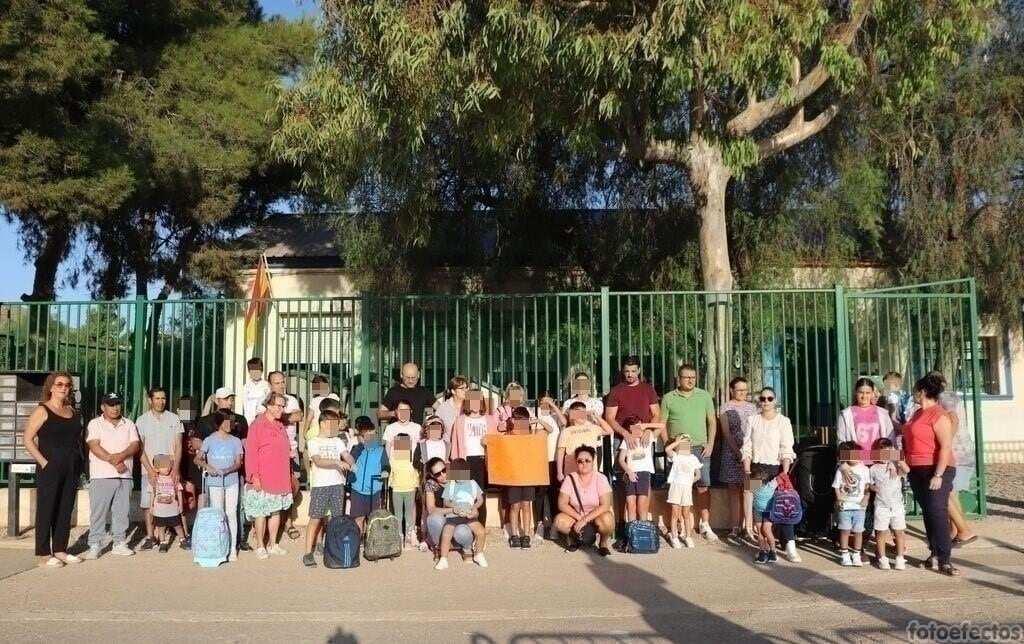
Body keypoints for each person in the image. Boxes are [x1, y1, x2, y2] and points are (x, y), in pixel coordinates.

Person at [22, 371, 84, 567]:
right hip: (50, 467)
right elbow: (27, 439)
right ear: (51, 387)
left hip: (71, 466)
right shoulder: (42, 411)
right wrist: (43, 462)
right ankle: (43, 554)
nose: (64, 388)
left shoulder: (73, 412)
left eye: (67, 385)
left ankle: (60, 550)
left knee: (65, 509)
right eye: (59, 384)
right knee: (47, 509)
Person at [902, 373, 958, 575]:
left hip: (937, 468)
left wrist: (939, 474)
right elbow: (908, 435)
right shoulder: (917, 414)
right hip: (916, 469)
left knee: (937, 511)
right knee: (928, 512)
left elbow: (945, 446)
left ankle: (945, 559)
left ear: (922, 392)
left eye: (915, 391)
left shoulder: (939, 414)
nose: (913, 395)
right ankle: (933, 553)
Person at [741, 386, 799, 564]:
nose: (766, 401)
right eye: (763, 398)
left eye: (770, 398)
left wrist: (785, 472)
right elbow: (747, 446)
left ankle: (787, 545)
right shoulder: (753, 420)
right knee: (754, 501)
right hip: (757, 469)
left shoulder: (783, 421)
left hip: (776, 469)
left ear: (775, 400)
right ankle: (760, 544)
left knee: (783, 504)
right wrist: (747, 469)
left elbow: (786, 448)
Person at [660, 364, 717, 541]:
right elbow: (662, 423)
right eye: (686, 377)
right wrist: (668, 442)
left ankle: (705, 524)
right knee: (677, 486)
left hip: (700, 446)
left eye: (693, 377)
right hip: (679, 448)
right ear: (679, 378)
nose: (690, 380)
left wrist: (711, 444)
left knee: (703, 485)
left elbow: (712, 421)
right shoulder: (669, 398)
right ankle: (676, 526)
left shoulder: (705, 396)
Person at [83, 392, 140, 560]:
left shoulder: (128, 423)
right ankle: (95, 544)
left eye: (117, 404)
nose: (115, 408)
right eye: (111, 404)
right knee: (98, 512)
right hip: (102, 475)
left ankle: (119, 542)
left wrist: (121, 456)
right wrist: (114, 461)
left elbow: (135, 445)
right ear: (103, 407)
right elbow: (94, 445)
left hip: (125, 475)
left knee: (122, 512)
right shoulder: (95, 423)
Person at [192, 387, 249, 550]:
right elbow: (197, 443)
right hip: (214, 476)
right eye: (225, 398)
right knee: (217, 510)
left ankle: (238, 540)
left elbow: (244, 443)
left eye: (231, 398)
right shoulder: (205, 421)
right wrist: (214, 445)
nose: (229, 401)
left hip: (233, 472)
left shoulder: (241, 419)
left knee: (236, 508)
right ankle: (218, 542)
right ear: (217, 401)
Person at [243, 392, 294, 560]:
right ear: (269, 405)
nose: (281, 409)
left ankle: (273, 544)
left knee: (275, 512)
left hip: (279, 475)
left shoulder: (280, 426)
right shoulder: (257, 425)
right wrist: (254, 476)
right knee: (261, 513)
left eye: (282, 406)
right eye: (278, 406)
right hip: (262, 477)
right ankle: (260, 545)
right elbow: (251, 452)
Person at [302, 408, 354, 567]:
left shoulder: (338, 441)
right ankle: (307, 553)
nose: (337, 426)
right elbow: (317, 461)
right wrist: (337, 462)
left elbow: (347, 456)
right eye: (334, 423)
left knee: (336, 519)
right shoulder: (313, 442)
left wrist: (352, 461)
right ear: (323, 423)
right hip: (321, 486)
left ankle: (334, 550)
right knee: (316, 518)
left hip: (337, 485)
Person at [136, 386, 185, 551]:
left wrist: (176, 468)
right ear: (150, 400)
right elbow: (140, 448)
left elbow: (179, 445)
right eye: (157, 398)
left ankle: (182, 536)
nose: (160, 401)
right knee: (149, 503)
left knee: (174, 501)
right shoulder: (142, 420)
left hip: (169, 468)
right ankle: (151, 537)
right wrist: (150, 470)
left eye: (163, 398)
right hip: (150, 467)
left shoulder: (174, 419)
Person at [501, 406, 551, 549]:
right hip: (513, 476)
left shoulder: (534, 434)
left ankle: (526, 535)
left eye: (523, 419)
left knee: (526, 505)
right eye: (517, 419)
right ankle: (514, 535)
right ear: (513, 420)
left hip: (529, 476)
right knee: (515, 505)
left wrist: (538, 420)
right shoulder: (508, 435)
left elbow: (550, 430)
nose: (520, 422)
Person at [554, 446, 615, 556]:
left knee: (608, 520)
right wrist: (579, 518)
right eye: (580, 461)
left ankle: (603, 543)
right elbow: (562, 504)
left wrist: (585, 519)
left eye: (588, 460)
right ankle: (577, 538)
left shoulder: (600, 478)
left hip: (597, 516)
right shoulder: (570, 479)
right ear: (576, 462)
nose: (584, 463)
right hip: (577, 515)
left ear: (593, 461)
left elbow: (605, 505)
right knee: (559, 521)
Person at [449, 391, 498, 526]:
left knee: (480, 496)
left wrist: (489, 443)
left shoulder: (489, 419)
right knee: (463, 494)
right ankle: (463, 526)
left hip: (483, 461)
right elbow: (454, 445)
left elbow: (496, 442)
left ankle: (479, 527)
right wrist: (456, 466)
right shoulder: (460, 420)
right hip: (465, 461)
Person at [718, 377, 758, 541]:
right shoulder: (725, 408)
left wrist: (748, 453)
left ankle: (750, 526)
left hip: (752, 455)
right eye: (739, 389)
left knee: (751, 490)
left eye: (744, 390)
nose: (742, 393)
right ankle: (735, 526)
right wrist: (738, 452)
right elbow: (726, 433)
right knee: (733, 491)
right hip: (731, 453)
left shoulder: (753, 408)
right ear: (732, 390)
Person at [435, 458, 488, 570]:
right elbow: (446, 501)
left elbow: (480, 499)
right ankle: (443, 558)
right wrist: (453, 507)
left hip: (469, 515)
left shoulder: (473, 484)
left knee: (481, 532)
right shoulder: (451, 484)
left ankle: (479, 554)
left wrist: (474, 507)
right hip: (454, 515)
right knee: (446, 535)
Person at [422, 457, 477, 561]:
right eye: (438, 474)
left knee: (462, 532)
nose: (443, 475)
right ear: (432, 476)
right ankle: (440, 547)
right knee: (433, 518)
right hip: (443, 524)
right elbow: (431, 509)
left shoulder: (458, 478)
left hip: (461, 522)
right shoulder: (431, 484)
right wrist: (452, 510)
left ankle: (466, 548)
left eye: (444, 470)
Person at [617, 415, 664, 526]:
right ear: (629, 429)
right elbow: (621, 459)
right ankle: (632, 530)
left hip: (643, 473)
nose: (638, 429)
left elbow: (662, 426)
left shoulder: (648, 436)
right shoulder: (627, 440)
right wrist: (629, 472)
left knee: (642, 503)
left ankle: (643, 528)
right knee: (631, 503)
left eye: (639, 425)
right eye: (634, 427)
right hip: (630, 473)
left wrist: (646, 426)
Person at [604, 356, 660, 449]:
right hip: (622, 438)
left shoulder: (648, 389)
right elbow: (610, 418)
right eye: (627, 371)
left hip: (643, 438)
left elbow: (656, 415)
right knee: (622, 463)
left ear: (639, 370)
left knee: (644, 464)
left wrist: (649, 430)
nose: (630, 375)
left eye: (633, 371)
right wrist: (625, 434)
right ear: (623, 371)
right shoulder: (616, 391)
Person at [870, 437, 908, 571]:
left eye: (888, 452)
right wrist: (872, 487)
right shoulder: (873, 468)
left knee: (899, 532)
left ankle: (900, 557)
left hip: (897, 506)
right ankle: (882, 558)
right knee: (881, 532)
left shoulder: (896, 466)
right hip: (881, 506)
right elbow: (869, 484)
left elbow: (906, 470)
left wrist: (896, 459)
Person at [348, 418, 391, 532]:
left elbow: (386, 464)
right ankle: (358, 539)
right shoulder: (356, 449)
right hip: (357, 489)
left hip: (374, 490)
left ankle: (371, 541)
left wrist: (385, 471)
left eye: (373, 435)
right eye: (367, 436)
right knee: (358, 517)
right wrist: (360, 446)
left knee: (373, 518)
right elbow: (350, 460)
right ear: (361, 437)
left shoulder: (380, 450)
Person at [533, 392, 565, 540]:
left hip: (554, 459)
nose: (545, 403)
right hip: (539, 459)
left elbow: (564, 422)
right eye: (542, 400)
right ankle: (539, 524)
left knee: (554, 493)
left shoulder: (556, 415)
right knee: (539, 493)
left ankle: (554, 526)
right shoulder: (535, 413)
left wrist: (552, 406)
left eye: (548, 400)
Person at [833, 440, 870, 567]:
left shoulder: (864, 469)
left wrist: (866, 498)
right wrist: (839, 499)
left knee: (859, 531)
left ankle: (856, 554)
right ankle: (844, 554)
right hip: (845, 505)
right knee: (845, 530)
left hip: (859, 506)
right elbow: (836, 486)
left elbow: (867, 486)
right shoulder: (840, 470)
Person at [555, 401, 613, 481]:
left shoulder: (593, 428)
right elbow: (560, 451)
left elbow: (609, 431)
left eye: (583, 412)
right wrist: (559, 472)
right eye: (579, 412)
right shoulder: (566, 431)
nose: (582, 415)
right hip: (572, 470)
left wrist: (597, 417)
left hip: (591, 470)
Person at [836, 378, 896, 451]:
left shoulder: (882, 413)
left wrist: (894, 459)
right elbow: (841, 443)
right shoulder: (845, 415)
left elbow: (892, 440)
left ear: (872, 393)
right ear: (855, 392)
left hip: (880, 461)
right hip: (856, 461)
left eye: (867, 392)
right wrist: (852, 460)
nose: (864, 396)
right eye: (861, 392)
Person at [664, 434, 703, 549]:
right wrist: (678, 442)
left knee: (686, 513)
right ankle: (675, 537)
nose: (685, 446)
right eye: (682, 444)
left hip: (686, 488)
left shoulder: (693, 458)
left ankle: (688, 537)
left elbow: (698, 475)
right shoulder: (675, 456)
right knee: (675, 513)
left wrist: (691, 481)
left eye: (687, 444)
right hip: (676, 487)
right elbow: (667, 449)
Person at [389, 433, 421, 548]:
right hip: (396, 490)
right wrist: (390, 485)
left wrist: (416, 486)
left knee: (408, 514)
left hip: (410, 489)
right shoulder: (393, 459)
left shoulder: (412, 459)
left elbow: (416, 474)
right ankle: (399, 536)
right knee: (398, 514)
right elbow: (391, 475)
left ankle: (408, 537)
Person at [150, 454, 187, 553]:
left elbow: (179, 492)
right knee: (161, 527)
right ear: (156, 468)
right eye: (163, 466)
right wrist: (151, 506)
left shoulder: (174, 478)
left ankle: (182, 539)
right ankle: (163, 542)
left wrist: (181, 505)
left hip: (173, 508)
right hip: (159, 510)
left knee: (178, 525)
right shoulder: (155, 480)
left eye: (168, 465)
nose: (166, 468)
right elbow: (152, 494)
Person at [433, 375, 469, 442]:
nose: (466, 390)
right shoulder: (443, 408)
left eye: (466, 388)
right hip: (449, 447)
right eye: (462, 388)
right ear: (453, 391)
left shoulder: (471, 406)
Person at [241, 357, 271, 423]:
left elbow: (268, 402)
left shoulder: (267, 385)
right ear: (249, 372)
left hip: (263, 416)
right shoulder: (246, 386)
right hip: (249, 417)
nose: (256, 373)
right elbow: (245, 403)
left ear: (262, 370)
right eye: (253, 371)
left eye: (258, 370)